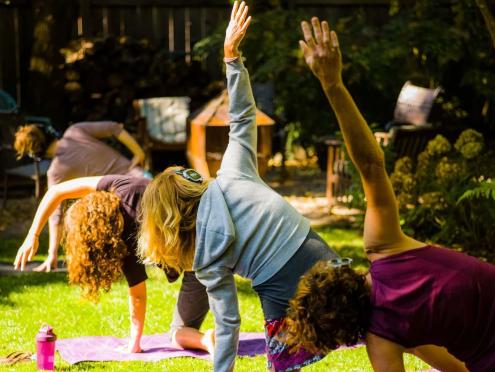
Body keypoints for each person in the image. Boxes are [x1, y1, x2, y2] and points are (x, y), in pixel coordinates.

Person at [285, 17, 495, 372]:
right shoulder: (384, 248)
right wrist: (332, 84)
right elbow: (370, 164)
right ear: (338, 275)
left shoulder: (384, 338)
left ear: (343, 336)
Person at [137, 2, 339, 371]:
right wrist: (232, 58)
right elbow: (244, 115)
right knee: (371, 320)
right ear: (192, 184)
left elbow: (228, 323)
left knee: (286, 362)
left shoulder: (204, 258)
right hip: (316, 252)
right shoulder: (232, 172)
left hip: (278, 289)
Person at [13, 175, 214, 354]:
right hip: (209, 223)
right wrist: (33, 235)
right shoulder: (121, 186)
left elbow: (138, 297)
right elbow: (57, 191)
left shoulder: (127, 236)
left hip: (202, 258)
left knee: (177, 335)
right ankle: (210, 339)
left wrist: (134, 344)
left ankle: (207, 339)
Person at [14, 121, 147, 272]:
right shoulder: (74, 131)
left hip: (125, 205)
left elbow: (55, 215)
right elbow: (114, 128)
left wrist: (52, 254)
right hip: (143, 182)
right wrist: (139, 153)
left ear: (35, 153)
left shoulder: (56, 172)